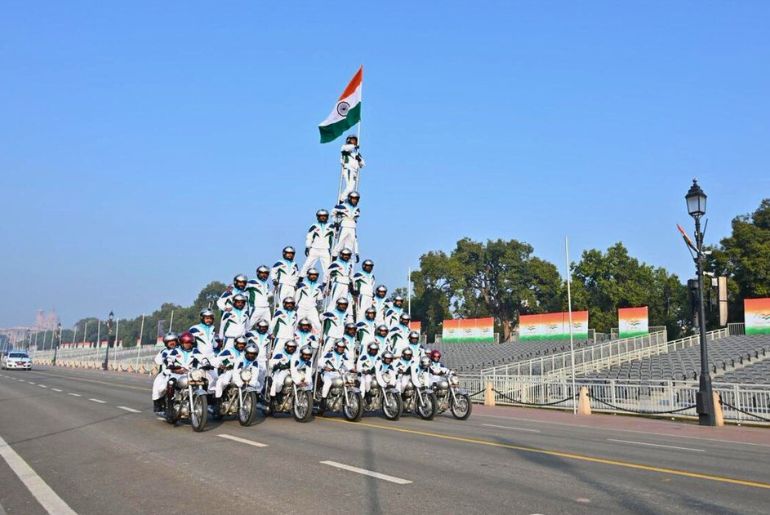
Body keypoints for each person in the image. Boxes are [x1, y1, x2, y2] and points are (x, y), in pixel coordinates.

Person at [300, 209, 335, 278]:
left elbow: (336, 235)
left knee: (328, 267)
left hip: (325, 249)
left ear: (327, 217)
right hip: (314, 249)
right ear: (317, 217)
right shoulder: (314, 226)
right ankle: (300, 278)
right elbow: (309, 237)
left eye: (324, 216)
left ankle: (327, 282)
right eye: (321, 216)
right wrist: (307, 247)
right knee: (307, 264)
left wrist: (337, 225)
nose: (323, 217)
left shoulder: (331, 226)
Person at [214, 336, 248, 403]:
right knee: (222, 382)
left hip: (243, 372)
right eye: (239, 344)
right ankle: (218, 400)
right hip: (230, 371)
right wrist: (226, 364)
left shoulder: (246, 352)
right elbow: (218, 359)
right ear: (235, 343)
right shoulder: (229, 350)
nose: (241, 345)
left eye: (243, 344)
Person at [152, 332, 178, 413]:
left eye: (173, 340)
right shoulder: (163, 351)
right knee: (158, 386)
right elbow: (158, 361)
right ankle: (157, 404)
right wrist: (166, 360)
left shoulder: (181, 350)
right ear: (166, 343)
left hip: (180, 373)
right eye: (169, 341)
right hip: (166, 374)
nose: (172, 343)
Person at [319, 339, 353, 404]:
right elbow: (320, 361)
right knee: (328, 383)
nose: (341, 349)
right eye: (340, 347)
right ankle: (323, 400)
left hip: (339, 373)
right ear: (335, 346)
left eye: (343, 347)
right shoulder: (329, 353)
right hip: (328, 373)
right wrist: (325, 367)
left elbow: (348, 363)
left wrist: (352, 369)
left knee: (348, 381)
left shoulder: (344, 354)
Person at [332, 192, 360, 259]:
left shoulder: (357, 209)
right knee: (340, 243)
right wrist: (335, 221)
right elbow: (333, 212)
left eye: (356, 199)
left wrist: (356, 252)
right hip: (344, 225)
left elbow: (355, 219)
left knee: (350, 244)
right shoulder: (343, 206)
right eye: (353, 199)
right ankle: (334, 257)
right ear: (349, 198)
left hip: (352, 227)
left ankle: (346, 259)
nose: (354, 200)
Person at [295, 268, 324, 333]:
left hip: (312, 308)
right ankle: (292, 338)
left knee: (317, 325)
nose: (314, 276)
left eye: (315, 275)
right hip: (301, 307)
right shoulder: (302, 284)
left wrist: (320, 309)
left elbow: (320, 299)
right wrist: (295, 306)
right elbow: (297, 296)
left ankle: (319, 339)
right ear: (308, 275)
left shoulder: (319, 286)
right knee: (296, 323)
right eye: (312, 275)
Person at [245, 319, 272, 390]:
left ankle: (258, 393)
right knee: (250, 375)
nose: (263, 329)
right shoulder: (250, 333)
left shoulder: (268, 336)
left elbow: (268, 348)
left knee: (262, 378)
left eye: (265, 327)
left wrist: (269, 354)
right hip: (252, 359)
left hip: (262, 360)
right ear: (257, 327)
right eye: (261, 327)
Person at [339, 135, 365, 202]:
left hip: (354, 172)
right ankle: (341, 199)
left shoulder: (356, 153)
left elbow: (362, 164)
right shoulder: (345, 147)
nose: (354, 142)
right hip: (348, 169)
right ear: (349, 140)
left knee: (351, 189)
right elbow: (346, 148)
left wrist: (359, 159)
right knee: (350, 187)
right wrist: (354, 146)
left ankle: (347, 201)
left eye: (355, 141)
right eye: (353, 140)